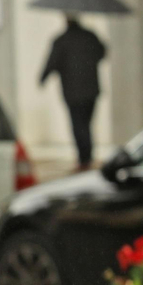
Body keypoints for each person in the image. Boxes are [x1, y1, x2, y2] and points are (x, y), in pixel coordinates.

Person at [40, 15, 107, 171]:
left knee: (78, 125)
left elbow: (52, 62)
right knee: (86, 124)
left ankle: (84, 159)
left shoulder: (61, 40)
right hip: (91, 90)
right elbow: (102, 53)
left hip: (72, 92)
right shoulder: (90, 36)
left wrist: (43, 78)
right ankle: (87, 156)